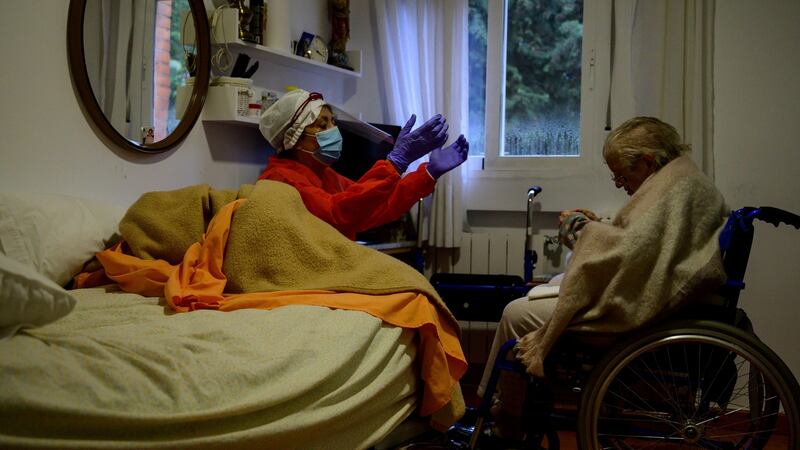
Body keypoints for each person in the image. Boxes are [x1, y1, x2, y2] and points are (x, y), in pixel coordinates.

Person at [477, 116, 729, 440]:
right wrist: (596, 228)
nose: (620, 184)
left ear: (648, 160)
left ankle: (504, 422)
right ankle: (511, 409)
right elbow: (639, 243)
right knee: (542, 291)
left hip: (640, 307)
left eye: (623, 175)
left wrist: (580, 228)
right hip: (650, 293)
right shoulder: (677, 178)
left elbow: (631, 252)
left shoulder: (674, 185)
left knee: (516, 313)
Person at [257, 89, 469, 240]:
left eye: (332, 122)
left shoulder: (325, 174)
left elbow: (374, 208)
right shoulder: (281, 179)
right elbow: (337, 213)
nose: (333, 130)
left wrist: (428, 174)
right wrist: (394, 163)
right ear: (294, 139)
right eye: (323, 124)